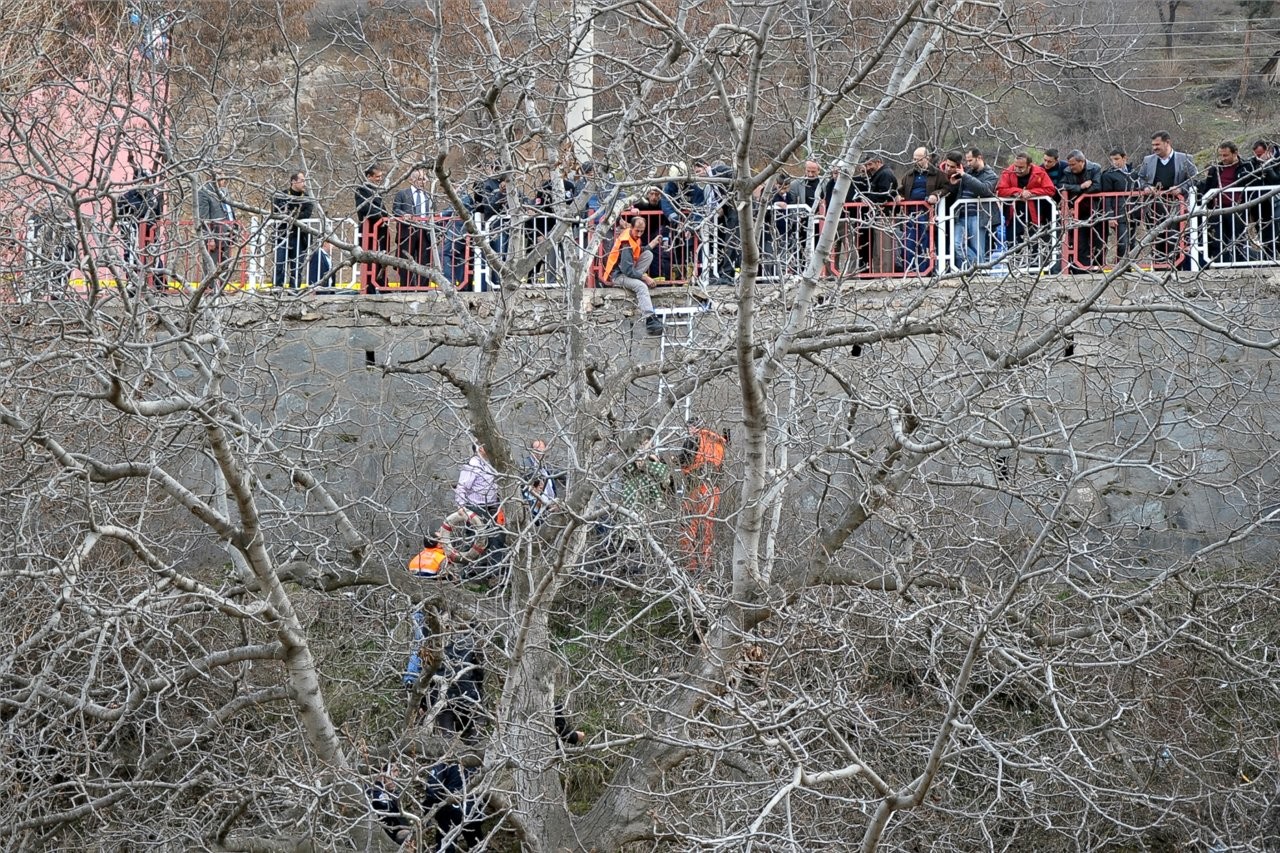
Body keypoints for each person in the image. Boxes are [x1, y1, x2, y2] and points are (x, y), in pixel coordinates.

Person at [1137, 131, 1198, 266]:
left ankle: (1175, 266)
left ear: (1167, 142)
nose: (1154, 148)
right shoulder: (1148, 160)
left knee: (1174, 237)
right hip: (1154, 206)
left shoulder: (1185, 158)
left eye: (1157, 144)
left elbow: (1194, 178)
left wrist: (1181, 189)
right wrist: (1146, 187)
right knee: (1156, 237)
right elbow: (1139, 179)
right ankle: (1159, 267)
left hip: (1176, 205)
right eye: (1153, 145)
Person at [1197, 141, 1260, 263]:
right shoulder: (1215, 169)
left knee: (1238, 239)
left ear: (1235, 153)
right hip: (1217, 210)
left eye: (1226, 155)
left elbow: (1254, 186)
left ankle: (1238, 264)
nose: (1223, 158)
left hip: (1238, 210)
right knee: (1218, 239)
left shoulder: (1247, 166)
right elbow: (1207, 189)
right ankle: (1221, 264)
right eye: (1221, 155)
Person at [601, 216, 665, 336]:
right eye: (637, 231)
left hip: (626, 272)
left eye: (642, 231)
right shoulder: (626, 243)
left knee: (648, 254)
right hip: (617, 276)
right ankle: (650, 319)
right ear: (631, 227)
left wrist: (653, 243)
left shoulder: (632, 235)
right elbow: (628, 271)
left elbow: (639, 251)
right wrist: (644, 277)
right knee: (641, 287)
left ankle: (636, 280)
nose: (639, 234)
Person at [677, 422, 727, 573]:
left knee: (687, 524)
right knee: (707, 528)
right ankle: (706, 565)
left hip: (697, 488)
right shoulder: (718, 443)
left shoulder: (694, 439)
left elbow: (683, 460)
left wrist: (673, 460)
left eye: (689, 428)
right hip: (714, 491)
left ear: (693, 427)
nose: (688, 431)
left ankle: (690, 567)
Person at [995, 152, 1057, 267]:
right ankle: (1015, 269)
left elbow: (1050, 189)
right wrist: (1019, 192)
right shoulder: (1008, 172)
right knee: (1014, 245)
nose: (1017, 170)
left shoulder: (1039, 172)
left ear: (1029, 165)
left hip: (1036, 217)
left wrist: (1031, 193)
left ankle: (1036, 270)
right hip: (1013, 217)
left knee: (1035, 245)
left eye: (1021, 167)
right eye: (1016, 166)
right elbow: (1000, 190)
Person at [944, 148, 999, 270]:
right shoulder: (968, 172)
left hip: (978, 215)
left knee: (978, 248)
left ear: (979, 158)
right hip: (961, 214)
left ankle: (980, 269)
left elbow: (984, 190)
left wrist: (965, 176)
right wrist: (955, 183)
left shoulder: (991, 175)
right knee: (957, 244)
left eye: (970, 160)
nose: (968, 163)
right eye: (967, 161)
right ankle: (980, 267)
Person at [116, 170, 165, 291]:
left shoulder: (152, 198)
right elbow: (120, 218)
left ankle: (159, 287)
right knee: (132, 260)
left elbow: (158, 217)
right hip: (132, 236)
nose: (147, 183)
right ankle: (133, 287)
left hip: (150, 236)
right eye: (145, 181)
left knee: (154, 259)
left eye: (149, 181)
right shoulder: (126, 198)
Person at [271, 170, 321, 287]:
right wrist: (295, 214)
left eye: (305, 181)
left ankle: (294, 291)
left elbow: (306, 214)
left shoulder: (307, 198)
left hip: (300, 237)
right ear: (293, 182)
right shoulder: (281, 195)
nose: (304, 184)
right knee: (279, 265)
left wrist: (290, 214)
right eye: (302, 181)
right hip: (282, 236)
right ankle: (277, 290)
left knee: (297, 268)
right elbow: (277, 211)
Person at [1059, 150, 1104, 271]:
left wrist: (1078, 194)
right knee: (1080, 241)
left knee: (1098, 240)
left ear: (1082, 161)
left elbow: (1097, 187)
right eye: (1069, 164)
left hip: (1096, 210)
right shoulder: (1067, 171)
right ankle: (1082, 268)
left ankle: (1099, 267)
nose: (1071, 167)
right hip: (1078, 212)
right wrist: (1080, 187)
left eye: (1073, 164)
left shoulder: (1095, 168)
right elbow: (1061, 186)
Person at [393, 167, 435, 288]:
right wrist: (404, 215)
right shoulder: (402, 194)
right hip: (408, 231)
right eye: (420, 179)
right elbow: (395, 210)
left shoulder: (429, 196)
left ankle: (423, 288)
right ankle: (406, 287)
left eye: (424, 179)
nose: (423, 182)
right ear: (412, 180)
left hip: (425, 231)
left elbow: (433, 212)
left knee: (424, 261)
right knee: (406, 260)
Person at [1100, 148, 1140, 261]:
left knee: (1132, 242)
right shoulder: (1108, 175)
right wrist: (1110, 216)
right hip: (1118, 213)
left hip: (1132, 212)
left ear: (1124, 158)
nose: (1114, 162)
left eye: (1117, 159)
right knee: (1123, 242)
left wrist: (1139, 212)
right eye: (1112, 160)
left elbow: (1137, 193)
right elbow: (1106, 197)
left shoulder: (1134, 173)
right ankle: (1121, 266)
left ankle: (1130, 265)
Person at [196, 172, 238, 278]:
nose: (223, 179)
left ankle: (221, 287)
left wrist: (234, 229)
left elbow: (230, 210)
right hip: (214, 235)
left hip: (228, 233)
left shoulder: (224, 191)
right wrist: (210, 238)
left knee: (226, 266)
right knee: (211, 267)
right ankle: (209, 288)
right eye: (220, 175)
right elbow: (204, 218)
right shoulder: (204, 192)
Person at [355, 163, 389, 292]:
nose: (380, 179)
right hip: (369, 232)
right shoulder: (362, 190)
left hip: (380, 233)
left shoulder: (377, 191)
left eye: (381, 176)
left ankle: (382, 286)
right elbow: (365, 208)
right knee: (370, 260)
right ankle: (370, 289)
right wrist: (381, 216)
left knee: (381, 260)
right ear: (369, 177)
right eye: (377, 176)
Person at [365, 764, 414, 847]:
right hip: (390, 834)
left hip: (400, 830)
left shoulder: (393, 794)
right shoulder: (375, 791)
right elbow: (384, 806)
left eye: (396, 777)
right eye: (392, 777)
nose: (395, 781)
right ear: (383, 774)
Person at [521, 439, 557, 522]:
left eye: (541, 449)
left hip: (550, 508)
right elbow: (527, 488)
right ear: (531, 450)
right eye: (536, 449)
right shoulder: (526, 465)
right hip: (537, 509)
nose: (539, 451)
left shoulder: (545, 467)